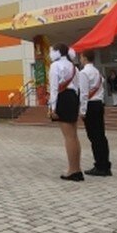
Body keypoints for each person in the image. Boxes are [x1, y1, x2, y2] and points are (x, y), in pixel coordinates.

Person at [48, 43, 83, 181]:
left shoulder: (55, 66)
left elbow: (54, 88)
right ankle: (77, 168)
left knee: (68, 136)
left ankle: (72, 170)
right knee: (74, 135)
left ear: (57, 53)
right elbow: (78, 87)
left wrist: (52, 107)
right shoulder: (73, 66)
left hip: (62, 98)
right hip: (73, 97)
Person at [78, 50, 111, 176]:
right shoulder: (97, 71)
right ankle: (105, 164)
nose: (80, 60)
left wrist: (82, 110)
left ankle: (100, 166)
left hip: (90, 106)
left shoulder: (84, 73)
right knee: (101, 136)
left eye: (81, 57)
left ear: (85, 58)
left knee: (94, 137)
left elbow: (84, 93)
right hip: (98, 104)